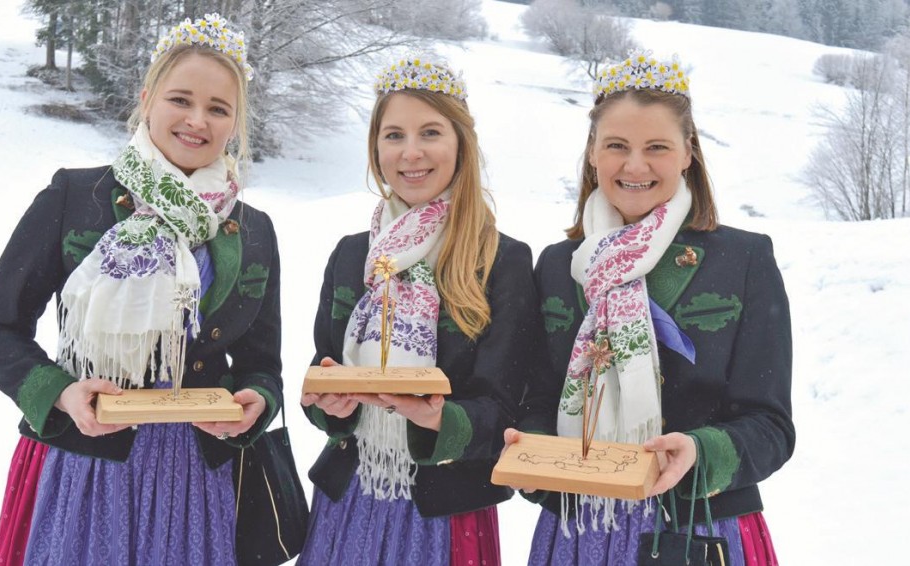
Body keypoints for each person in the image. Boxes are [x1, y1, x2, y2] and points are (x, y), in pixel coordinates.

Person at [0, 14, 282, 566]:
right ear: (146, 98)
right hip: (85, 462)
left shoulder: (252, 230)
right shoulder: (75, 195)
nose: (196, 120)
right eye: (180, 99)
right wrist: (61, 393)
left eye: (218, 108)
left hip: (195, 478)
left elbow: (262, 365)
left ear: (235, 122)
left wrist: (255, 402)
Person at [512, 51, 793, 565]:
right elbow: (536, 399)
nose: (634, 165)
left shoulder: (745, 258)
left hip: (699, 526)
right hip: (579, 529)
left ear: (688, 153)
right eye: (616, 145)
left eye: (656, 147)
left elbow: (770, 426)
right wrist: (533, 451)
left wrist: (699, 453)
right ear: (593, 153)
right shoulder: (558, 265)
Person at [298, 56, 543, 565]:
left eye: (430, 132)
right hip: (348, 501)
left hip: (445, 511)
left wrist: (441, 419)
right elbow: (323, 375)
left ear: (461, 145)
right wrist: (326, 406)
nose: (411, 153)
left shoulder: (501, 260)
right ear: (375, 148)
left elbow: (507, 412)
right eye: (393, 136)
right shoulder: (352, 253)